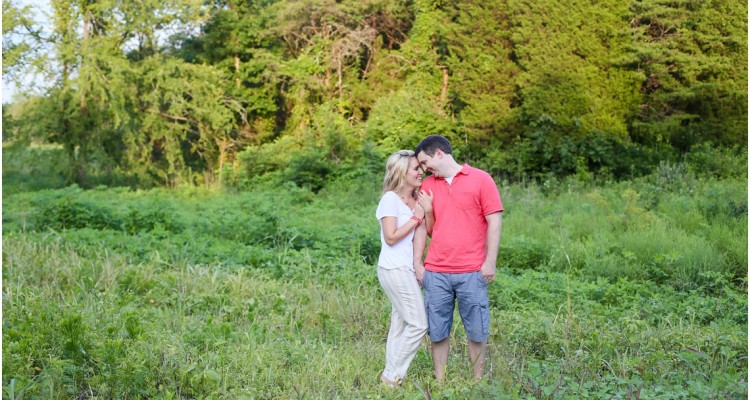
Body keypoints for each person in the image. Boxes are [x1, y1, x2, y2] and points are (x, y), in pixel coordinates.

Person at [412, 135, 503, 381]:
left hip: (472, 271)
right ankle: (440, 381)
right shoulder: (428, 184)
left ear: (439, 153)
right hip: (436, 272)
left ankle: (477, 381)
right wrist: (418, 263)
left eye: (425, 162)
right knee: (438, 331)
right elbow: (422, 226)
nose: (424, 169)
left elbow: (494, 221)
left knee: (477, 330)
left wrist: (490, 261)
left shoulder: (482, 179)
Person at [375, 150, 430, 388]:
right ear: (401, 173)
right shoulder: (390, 199)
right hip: (393, 268)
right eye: (416, 169)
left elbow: (423, 232)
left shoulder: (417, 199)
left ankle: (391, 380)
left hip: (406, 268)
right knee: (418, 324)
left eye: (421, 167)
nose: (421, 172)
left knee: (399, 324)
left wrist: (417, 263)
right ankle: (390, 375)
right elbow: (391, 237)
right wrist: (416, 218)